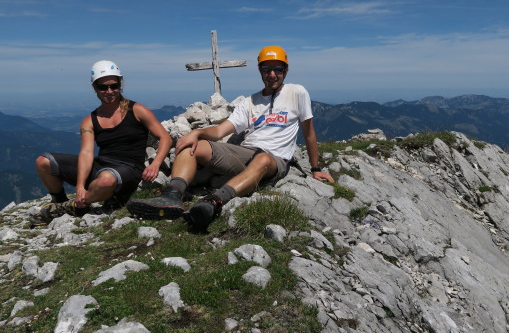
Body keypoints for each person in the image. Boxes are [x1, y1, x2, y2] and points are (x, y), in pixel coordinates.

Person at [126, 45, 334, 231]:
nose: (272, 74)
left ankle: (214, 202)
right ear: (259, 71)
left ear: (285, 70)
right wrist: (196, 133)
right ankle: (172, 195)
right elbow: (219, 132)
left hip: (274, 159)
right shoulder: (250, 101)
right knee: (193, 146)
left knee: (262, 160)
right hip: (246, 152)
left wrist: (315, 169)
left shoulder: (297, 92)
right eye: (266, 69)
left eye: (277, 69)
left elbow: (309, 132)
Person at [32, 60, 172, 224]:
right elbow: (86, 152)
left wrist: (155, 164)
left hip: (129, 168)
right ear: (95, 88)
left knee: (106, 179)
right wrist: (80, 186)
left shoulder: (137, 110)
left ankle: (69, 207)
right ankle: (59, 201)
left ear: (121, 85)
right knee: (43, 162)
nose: (109, 91)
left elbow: (165, 137)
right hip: (102, 166)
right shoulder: (89, 121)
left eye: (114, 86)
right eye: (103, 87)